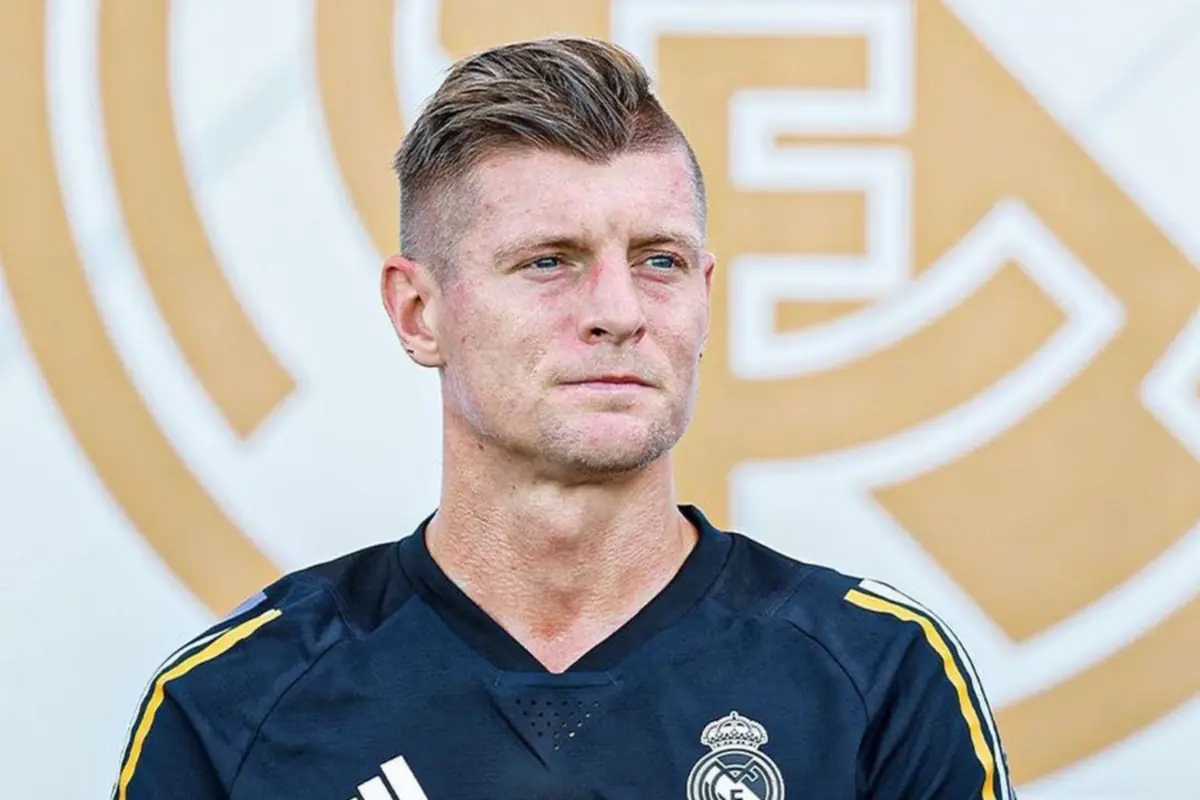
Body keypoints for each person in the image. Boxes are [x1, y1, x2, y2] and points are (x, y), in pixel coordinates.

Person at [112, 36, 1015, 800]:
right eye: (550, 261)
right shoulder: (239, 698)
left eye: (658, 260)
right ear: (419, 313)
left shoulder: (878, 673)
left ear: (704, 296)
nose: (619, 310)